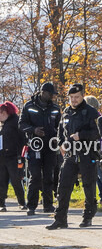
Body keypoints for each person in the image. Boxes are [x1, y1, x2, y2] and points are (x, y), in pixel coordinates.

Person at [48, 84, 101, 230]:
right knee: (63, 187)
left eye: (76, 97)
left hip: (86, 153)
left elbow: (97, 133)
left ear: (82, 96)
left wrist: (81, 135)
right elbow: (60, 132)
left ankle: (88, 216)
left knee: (89, 187)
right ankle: (60, 219)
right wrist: (61, 144)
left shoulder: (91, 112)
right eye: (71, 97)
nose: (74, 100)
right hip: (70, 155)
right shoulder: (66, 112)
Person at [20, 82, 61, 216]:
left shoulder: (55, 108)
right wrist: (34, 130)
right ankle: (31, 206)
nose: (52, 96)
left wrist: (57, 137)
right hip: (35, 146)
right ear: (43, 92)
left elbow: (60, 126)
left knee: (49, 175)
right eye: (50, 94)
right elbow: (21, 124)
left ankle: (48, 205)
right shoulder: (29, 106)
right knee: (36, 176)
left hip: (50, 146)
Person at [0, 101, 27, 211]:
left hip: (14, 156)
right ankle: (1, 204)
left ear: (6, 112)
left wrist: (21, 154)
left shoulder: (16, 122)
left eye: (1, 113)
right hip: (2, 156)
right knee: (2, 180)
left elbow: (23, 138)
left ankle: (22, 202)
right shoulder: (3, 124)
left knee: (16, 180)